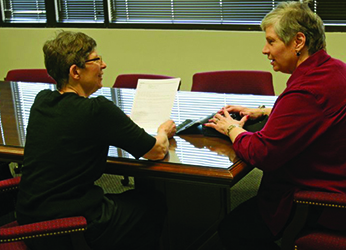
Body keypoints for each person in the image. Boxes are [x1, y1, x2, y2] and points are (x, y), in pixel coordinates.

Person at [204, 1, 346, 249]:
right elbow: (318, 113)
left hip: (317, 201)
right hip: (337, 177)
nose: (264, 50)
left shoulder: (305, 91)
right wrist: (265, 111)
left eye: (271, 41)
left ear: (298, 42)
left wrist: (230, 128)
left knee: (231, 230)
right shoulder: (335, 69)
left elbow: (262, 153)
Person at [16, 31, 176, 250]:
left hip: (30, 218)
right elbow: (156, 151)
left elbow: (75, 126)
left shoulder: (42, 100)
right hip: (70, 224)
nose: (104, 65)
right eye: (96, 60)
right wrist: (163, 131)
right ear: (75, 72)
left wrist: (116, 123)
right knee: (152, 203)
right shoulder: (97, 110)